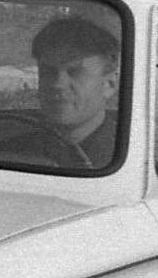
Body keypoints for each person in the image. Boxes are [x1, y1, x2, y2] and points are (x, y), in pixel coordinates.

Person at [24, 16, 120, 167]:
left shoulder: (126, 159)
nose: (58, 84)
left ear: (109, 84)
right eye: (48, 72)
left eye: (75, 72)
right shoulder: (6, 155)